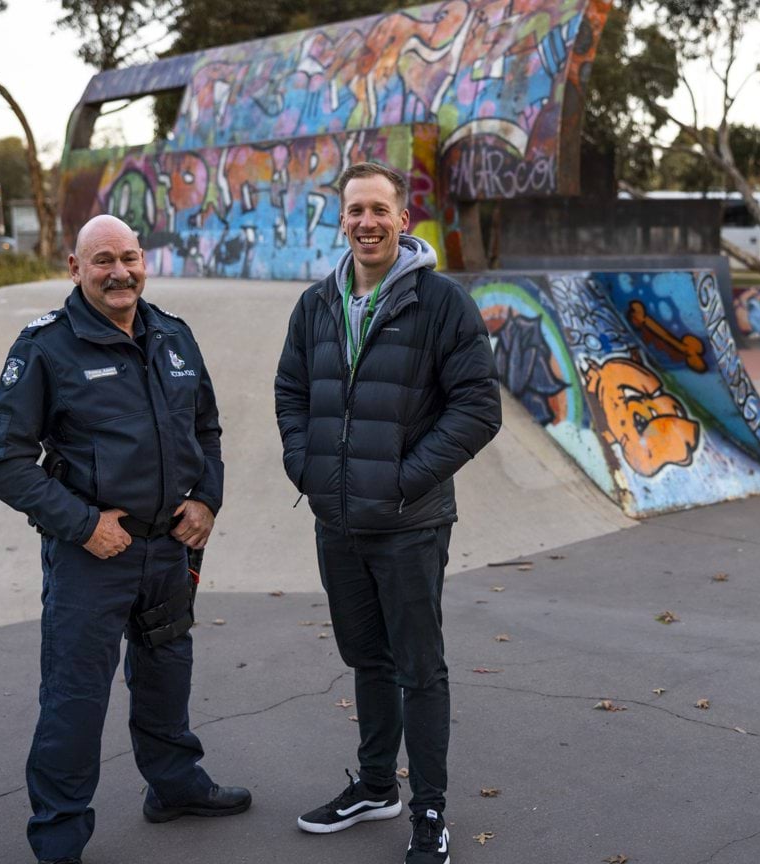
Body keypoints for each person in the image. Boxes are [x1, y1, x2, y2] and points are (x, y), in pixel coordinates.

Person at [0, 214, 250, 864]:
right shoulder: (45, 347)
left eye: (128, 257)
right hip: (91, 558)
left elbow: (206, 430)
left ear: (144, 262)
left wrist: (206, 498)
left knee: (165, 673)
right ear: (74, 268)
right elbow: (4, 461)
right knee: (76, 696)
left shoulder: (174, 336)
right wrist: (83, 524)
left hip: (169, 551)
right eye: (102, 260)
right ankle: (59, 839)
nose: (119, 271)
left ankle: (175, 786)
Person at [274, 163, 501, 864]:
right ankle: (376, 786)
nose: (366, 222)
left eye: (379, 209)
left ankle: (429, 809)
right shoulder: (316, 304)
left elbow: (477, 409)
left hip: (409, 522)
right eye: (354, 210)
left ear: (405, 220)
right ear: (341, 220)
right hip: (338, 521)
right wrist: (307, 467)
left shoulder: (440, 303)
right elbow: (290, 392)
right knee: (365, 659)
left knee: (418, 668)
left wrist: (404, 481)